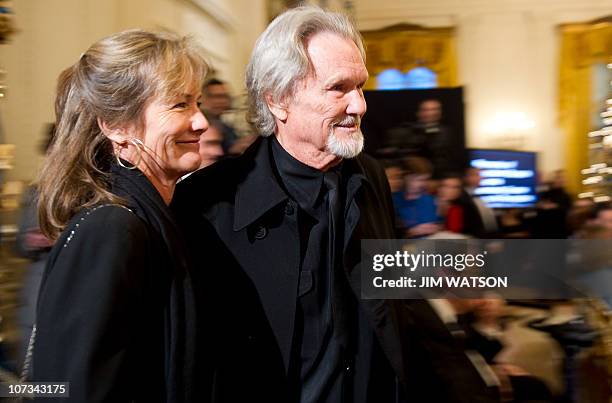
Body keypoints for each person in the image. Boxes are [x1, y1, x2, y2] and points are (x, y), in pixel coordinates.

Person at [173, 6, 411, 403]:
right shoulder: (208, 203)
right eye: (338, 88)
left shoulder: (370, 177)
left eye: (360, 86)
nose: (359, 106)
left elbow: (394, 302)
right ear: (279, 100)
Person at [31, 30, 208, 402]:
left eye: (198, 103)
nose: (201, 122)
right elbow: (68, 388)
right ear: (116, 126)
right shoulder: (112, 228)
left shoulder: (156, 218)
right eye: (180, 105)